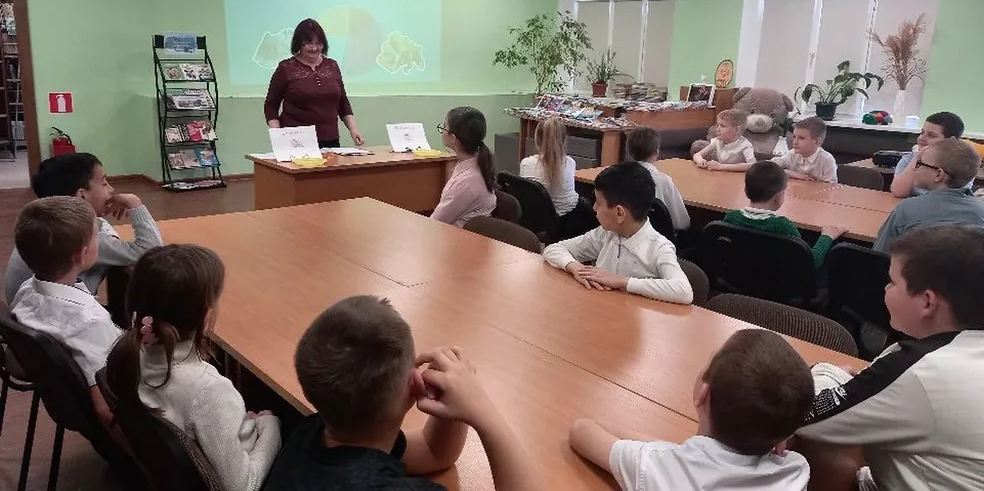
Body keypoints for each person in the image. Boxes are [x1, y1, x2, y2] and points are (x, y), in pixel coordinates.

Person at [798, 225, 984, 490]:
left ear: (928, 302)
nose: (885, 288)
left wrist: (824, 372)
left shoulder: (921, 369)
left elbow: (802, 417)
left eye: (892, 282)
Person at [262, 296, 542, 491]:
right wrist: (484, 412)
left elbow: (435, 452)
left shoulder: (310, 433)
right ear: (415, 385)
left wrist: (453, 402)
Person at [105, 244, 281, 491]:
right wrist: (271, 427)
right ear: (206, 317)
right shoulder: (209, 391)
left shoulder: (129, 354)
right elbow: (243, 486)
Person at [569, 329, 814, 491]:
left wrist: (661, 451)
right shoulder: (796, 471)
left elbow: (582, 431)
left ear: (703, 393)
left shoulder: (659, 469)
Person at [9, 197, 121, 426]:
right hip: (126, 382)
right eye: (96, 236)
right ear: (81, 255)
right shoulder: (89, 322)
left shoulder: (26, 290)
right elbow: (105, 407)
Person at [4, 152, 163, 308]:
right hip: (59, 318)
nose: (111, 189)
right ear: (81, 196)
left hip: (28, 314)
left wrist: (109, 239)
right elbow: (152, 250)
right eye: (104, 183)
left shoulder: (46, 222)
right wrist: (136, 204)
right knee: (123, 269)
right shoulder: (76, 235)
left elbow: (100, 224)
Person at [542, 162, 693, 304]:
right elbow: (553, 249)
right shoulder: (606, 234)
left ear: (619, 213)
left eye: (598, 203)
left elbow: (684, 291)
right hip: (602, 310)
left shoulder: (658, 247)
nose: (594, 208)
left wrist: (622, 281)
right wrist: (576, 268)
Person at [873, 138, 984, 253]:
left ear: (938, 174)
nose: (915, 168)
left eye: (920, 163)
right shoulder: (983, 213)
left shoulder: (906, 210)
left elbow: (881, 255)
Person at [264, 18, 365, 149]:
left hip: (330, 139)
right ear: (299, 44)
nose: (314, 48)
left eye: (318, 43)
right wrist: (278, 134)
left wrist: (353, 129)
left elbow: (343, 103)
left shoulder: (332, 66)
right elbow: (271, 105)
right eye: (308, 43)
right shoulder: (286, 68)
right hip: (296, 140)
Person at [723, 161, 845, 268]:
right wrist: (827, 237)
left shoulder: (731, 217)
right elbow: (810, 263)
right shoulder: (783, 226)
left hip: (738, 280)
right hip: (777, 286)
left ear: (746, 191)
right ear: (779, 196)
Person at [520, 118, 594, 237]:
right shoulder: (570, 162)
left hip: (536, 220)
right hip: (567, 221)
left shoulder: (525, 163)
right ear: (563, 141)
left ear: (537, 139)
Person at [431, 107, 497, 228]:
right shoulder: (478, 164)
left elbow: (436, 222)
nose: (442, 131)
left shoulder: (465, 182)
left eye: (444, 127)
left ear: (453, 138)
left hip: (457, 236)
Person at [890, 111, 968, 198]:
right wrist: (917, 158)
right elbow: (898, 192)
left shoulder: (962, 166)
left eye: (931, 135)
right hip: (912, 205)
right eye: (922, 133)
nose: (921, 138)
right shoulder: (908, 159)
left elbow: (956, 198)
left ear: (950, 141)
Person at [626, 126, 690, 231]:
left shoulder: (617, 177)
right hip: (657, 237)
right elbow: (682, 223)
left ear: (629, 151)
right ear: (656, 152)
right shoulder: (663, 181)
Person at [771, 117, 838, 183]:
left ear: (817, 141)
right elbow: (769, 166)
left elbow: (831, 187)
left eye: (801, 138)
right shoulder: (791, 154)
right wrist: (791, 173)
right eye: (794, 137)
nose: (795, 142)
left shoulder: (827, 160)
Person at [692, 109, 756, 172]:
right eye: (718, 125)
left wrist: (721, 166)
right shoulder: (717, 141)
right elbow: (697, 155)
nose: (717, 129)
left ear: (736, 130)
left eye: (722, 126)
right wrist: (700, 161)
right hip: (721, 176)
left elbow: (752, 165)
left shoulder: (745, 146)